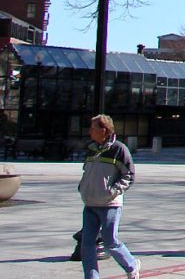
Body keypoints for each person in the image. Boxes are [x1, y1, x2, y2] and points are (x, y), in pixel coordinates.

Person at [78, 114, 140, 279]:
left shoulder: (119, 149)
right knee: (87, 245)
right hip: (90, 203)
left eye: (93, 128)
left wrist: (113, 191)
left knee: (110, 241)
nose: (90, 131)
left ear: (103, 130)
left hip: (109, 204)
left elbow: (129, 175)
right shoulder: (91, 149)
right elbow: (87, 172)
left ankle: (131, 265)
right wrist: (82, 187)